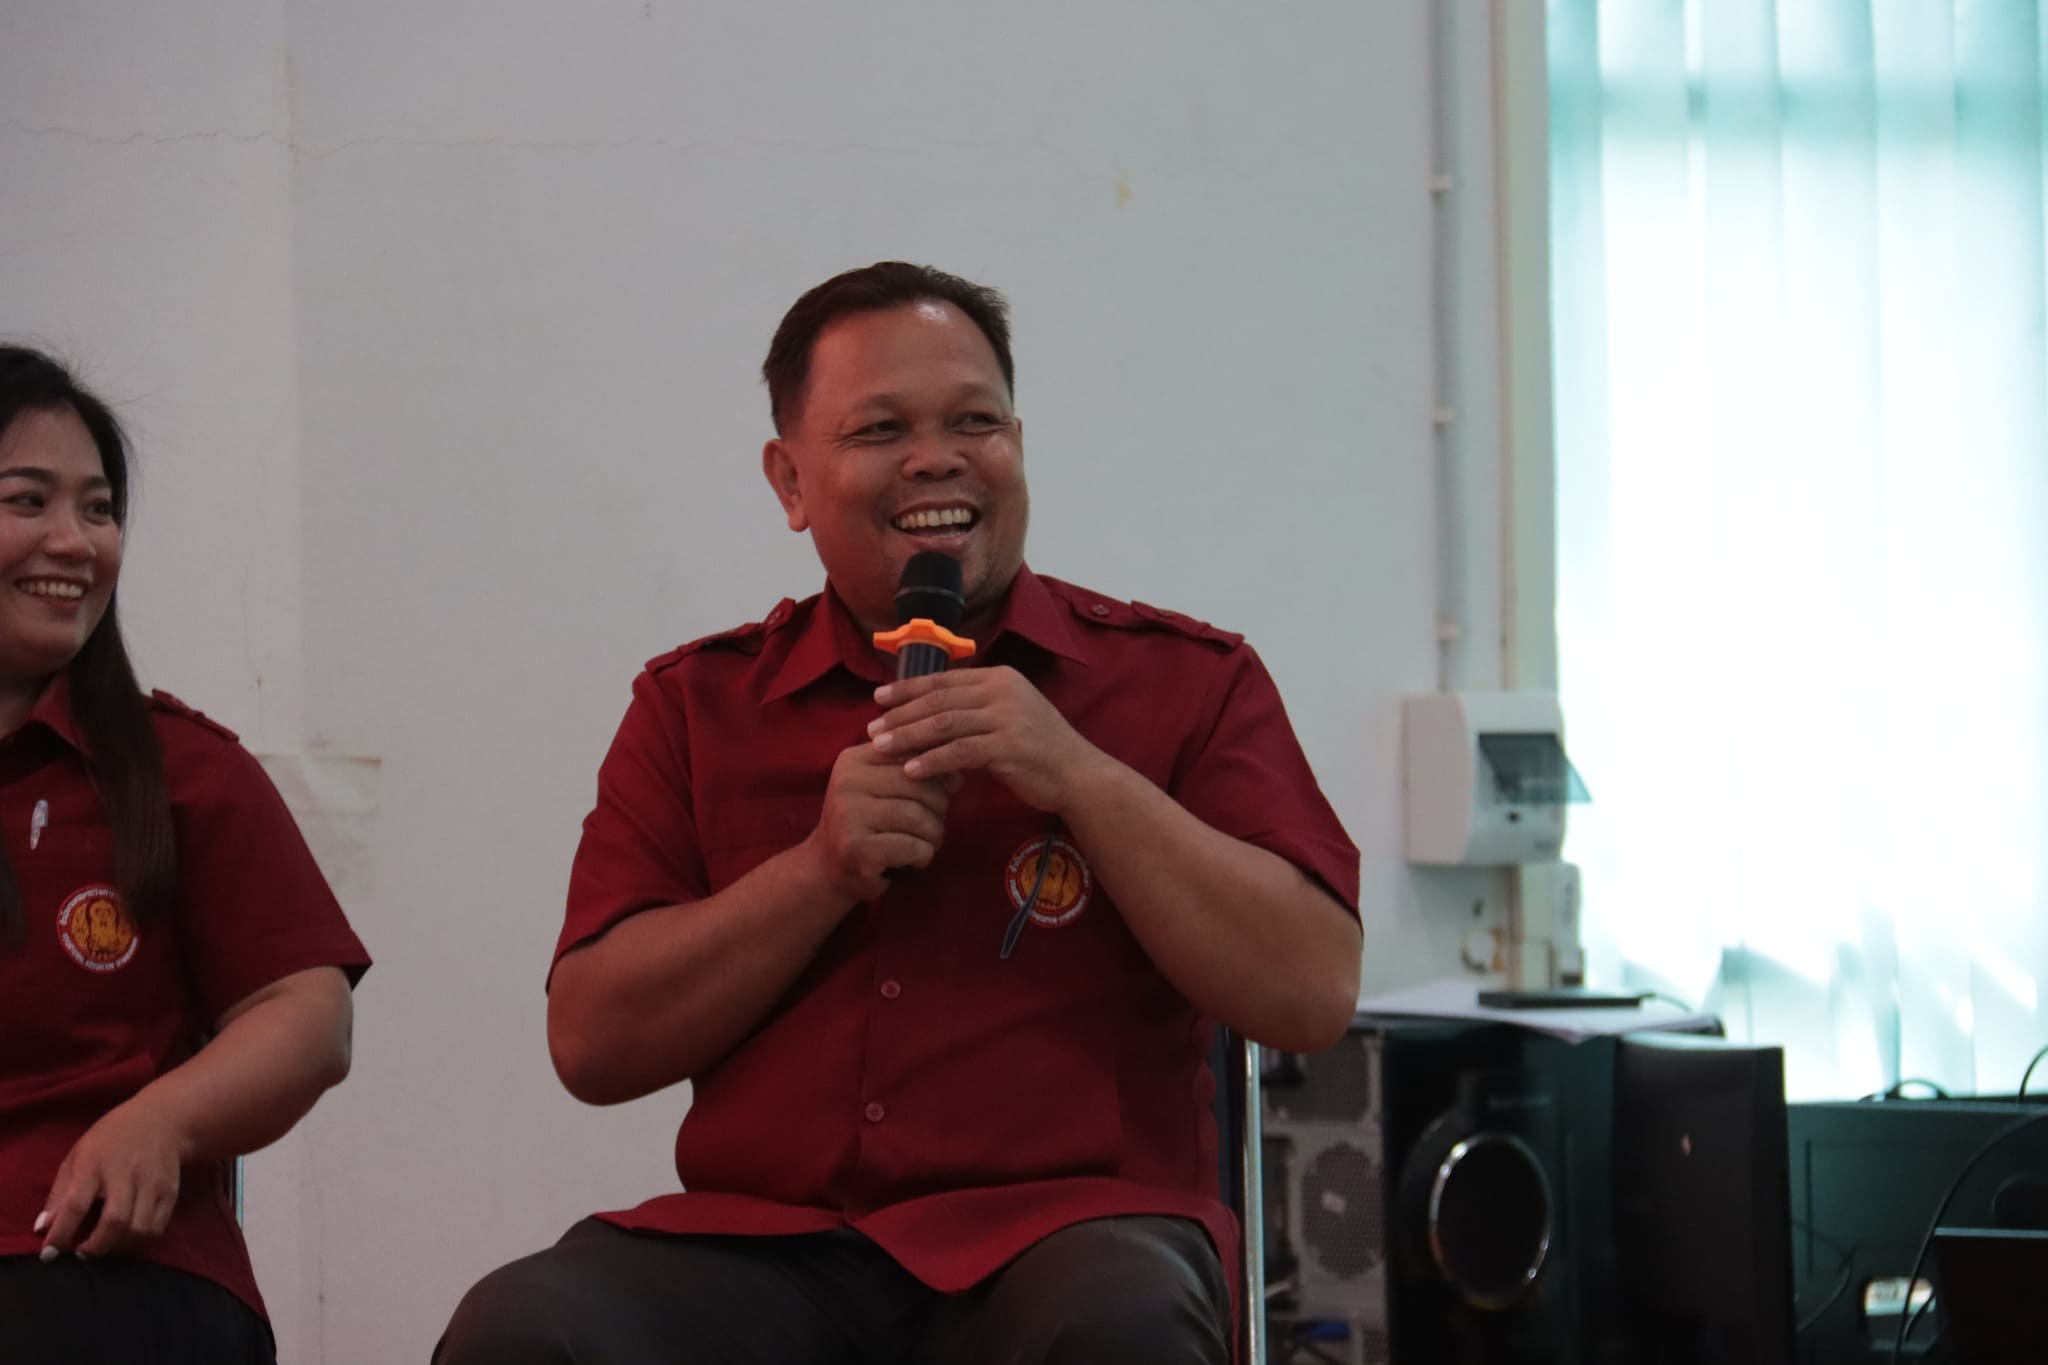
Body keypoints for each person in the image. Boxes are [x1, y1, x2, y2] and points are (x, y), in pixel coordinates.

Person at [437, 263, 1362, 1364]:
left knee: (1120, 1317)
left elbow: (1312, 992)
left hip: (1067, 1236)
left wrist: (1083, 778)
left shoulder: (1183, 683)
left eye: (975, 421)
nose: (936, 458)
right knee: (526, 1327)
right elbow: (592, 1046)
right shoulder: (697, 705)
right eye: (881, 429)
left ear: (1018, 445)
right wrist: (815, 871)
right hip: (764, 1249)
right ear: (790, 481)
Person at [0, 346, 371, 1364]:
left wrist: (162, 1121)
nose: (75, 541)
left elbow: (309, 1013)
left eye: (99, 509)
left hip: (97, 1267)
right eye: (28, 501)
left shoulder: (184, 771)